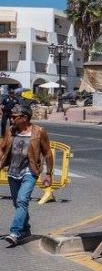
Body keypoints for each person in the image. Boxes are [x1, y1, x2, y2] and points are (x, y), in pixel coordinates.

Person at [0, 104, 53, 246]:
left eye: (14, 117)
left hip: (30, 171)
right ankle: (26, 229)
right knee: (17, 203)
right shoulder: (10, 131)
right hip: (13, 172)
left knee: (22, 200)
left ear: (24, 117)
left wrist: (48, 174)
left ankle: (15, 232)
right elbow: (3, 149)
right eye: (11, 117)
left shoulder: (39, 132)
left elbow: (47, 153)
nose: (11, 119)